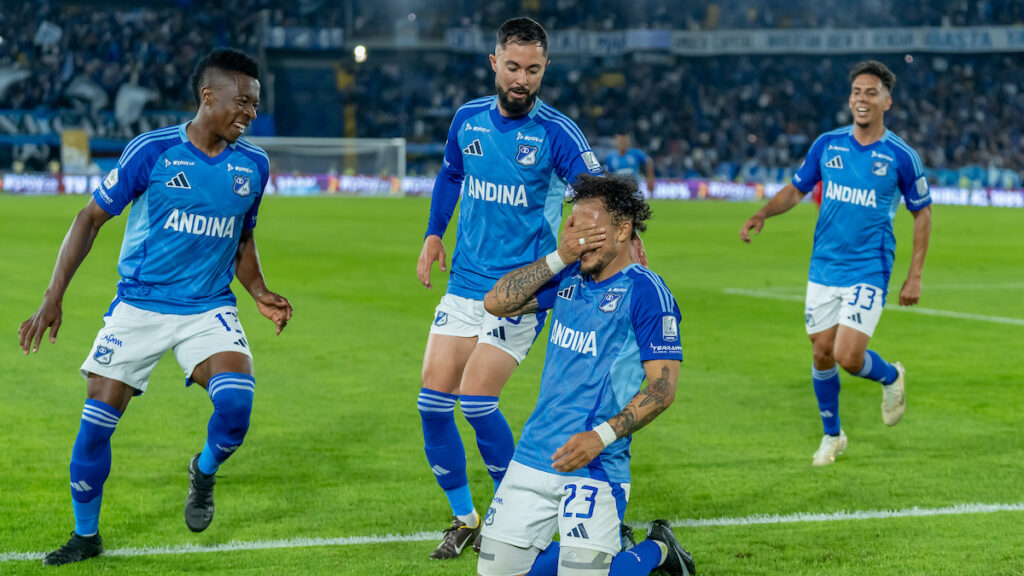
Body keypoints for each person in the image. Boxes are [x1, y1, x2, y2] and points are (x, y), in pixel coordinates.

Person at [18, 48, 292, 566]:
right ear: (208, 96)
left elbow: (241, 236)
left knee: (236, 408)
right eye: (242, 102)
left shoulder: (253, 164)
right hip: (140, 306)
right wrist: (52, 298)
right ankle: (85, 536)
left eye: (255, 105)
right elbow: (89, 219)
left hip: (207, 308)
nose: (250, 113)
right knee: (95, 425)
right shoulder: (153, 151)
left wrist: (258, 291)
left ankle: (203, 471)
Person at [415, 17, 604, 559]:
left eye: (534, 70)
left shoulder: (558, 132)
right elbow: (451, 174)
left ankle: (514, 517)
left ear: (545, 71)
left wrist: (617, 234)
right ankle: (465, 518)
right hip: (465, 284)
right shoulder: (467, 120)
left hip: (522, 290)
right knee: (432, 404)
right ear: (495, 63)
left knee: (476, 402)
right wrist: (433, 234)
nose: (522, 79)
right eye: (514, 67)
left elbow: (593, 196)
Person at [477, 174, 695, 576]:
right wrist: (559, 257)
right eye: (571, 228)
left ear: (622, 229)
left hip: (595, 461)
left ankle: (658, 550)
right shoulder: (567, 274)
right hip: (533, 453)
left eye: (588, 230)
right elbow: (496, 303)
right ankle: (647, 550)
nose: (576, 239)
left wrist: (601, 437)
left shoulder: (647, 292)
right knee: (496, 572)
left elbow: (662, 389)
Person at [739, 60, 932, 466]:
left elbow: (923, 214)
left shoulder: (901, 156)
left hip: (869, 267)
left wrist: (914, 276)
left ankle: (891, 376)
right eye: (857, 93)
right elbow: (796, 190)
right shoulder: (827, 144)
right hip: (824, 266)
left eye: (871, 93)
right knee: (822, 353)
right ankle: (833, 436)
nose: (862, 99)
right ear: (851, 99)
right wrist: (762, 214)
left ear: (887, 101)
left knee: (847, 355)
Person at [604, 132, 655, 197]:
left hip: (634, 189)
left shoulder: (635, 153)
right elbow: (607, 174)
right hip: (618, 190)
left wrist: (650, 179)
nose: (624, 143)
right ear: (617, 141)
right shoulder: (611, 157)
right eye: (621, 141)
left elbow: (649, 161)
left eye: (626, 140)